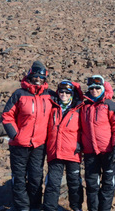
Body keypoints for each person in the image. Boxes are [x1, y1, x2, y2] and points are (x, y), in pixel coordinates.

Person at [2, 61, 53, 211]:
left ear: (45, 79)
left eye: (41, 77)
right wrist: (15, 135)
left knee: (36, 177)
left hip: (39, 144)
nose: (38, 79)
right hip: (19, 144)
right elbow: (7, 115)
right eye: (35, 76)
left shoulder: (49, 95)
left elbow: (66, 103)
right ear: (30, 76)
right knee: (18, 178)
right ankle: (22, 207)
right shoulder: (19, 94)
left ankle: (35, 206)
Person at [80, 75, 115, 211]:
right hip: (90, 152)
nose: (94, 90)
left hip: (108, 151)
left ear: (102, 88)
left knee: (108, 185)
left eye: (97, 88)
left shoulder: (110, 105)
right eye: (91, 88)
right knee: (92, 185)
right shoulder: (84, 106)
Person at [42, 80, 85, 211]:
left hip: (73, 152)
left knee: (74, 183)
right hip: (55, 151)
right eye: (61, 92)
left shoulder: (79, 109)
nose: (64, 94)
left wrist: (81, 144)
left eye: (67, 92)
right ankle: (49, 208)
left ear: (72, 94)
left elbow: (86, 130)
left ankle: (76, 207)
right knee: (53, 183)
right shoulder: (52, 107)